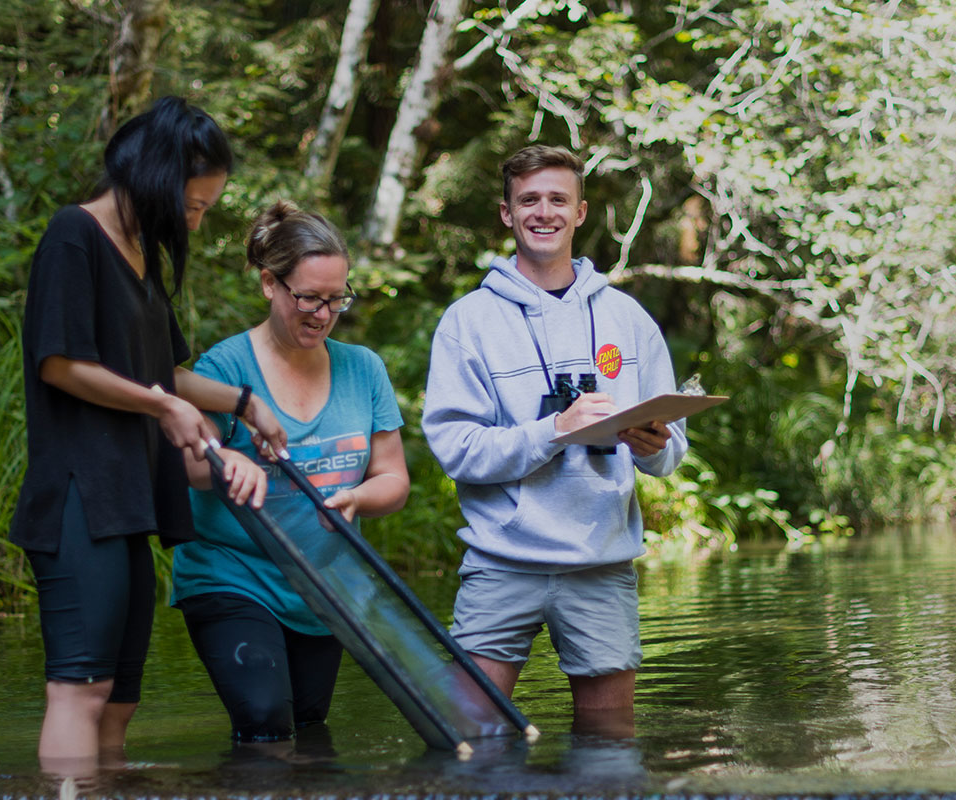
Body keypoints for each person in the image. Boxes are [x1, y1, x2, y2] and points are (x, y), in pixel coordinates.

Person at [9, 96, 282, 772]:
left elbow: (166, 372)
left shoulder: (140, 256)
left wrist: (245, 401)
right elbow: (61, 363)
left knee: (121, 697)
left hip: (130, 495)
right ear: (155, 179)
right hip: (78, 493)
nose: (194, 220)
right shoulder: (74, 235)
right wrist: (161, 407)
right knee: (80, 686)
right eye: (192, 205)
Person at [421, 144, 689, 724]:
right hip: (501, 560)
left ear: (582, 212)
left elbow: (672, 452)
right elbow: (455, 451)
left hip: (601, 562)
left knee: (610, 746)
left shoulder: (627, 317)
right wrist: (552, 432)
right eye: (529, 200)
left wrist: (658, 446)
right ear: (507, 213)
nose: (544, 212)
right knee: (469, 737)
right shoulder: (469, 321)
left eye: (557, 200)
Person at [171, 201, 410, 744]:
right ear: (268, 285)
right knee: (263, 722)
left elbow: (393, 479)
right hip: (233, 572)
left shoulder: (364, 368)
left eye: (335, 299)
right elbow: (186, 464)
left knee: (308, 728)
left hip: (323, 585)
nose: (322, 314)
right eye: (308, 297)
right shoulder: (224, 368)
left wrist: (358, 499)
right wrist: (226, 459)